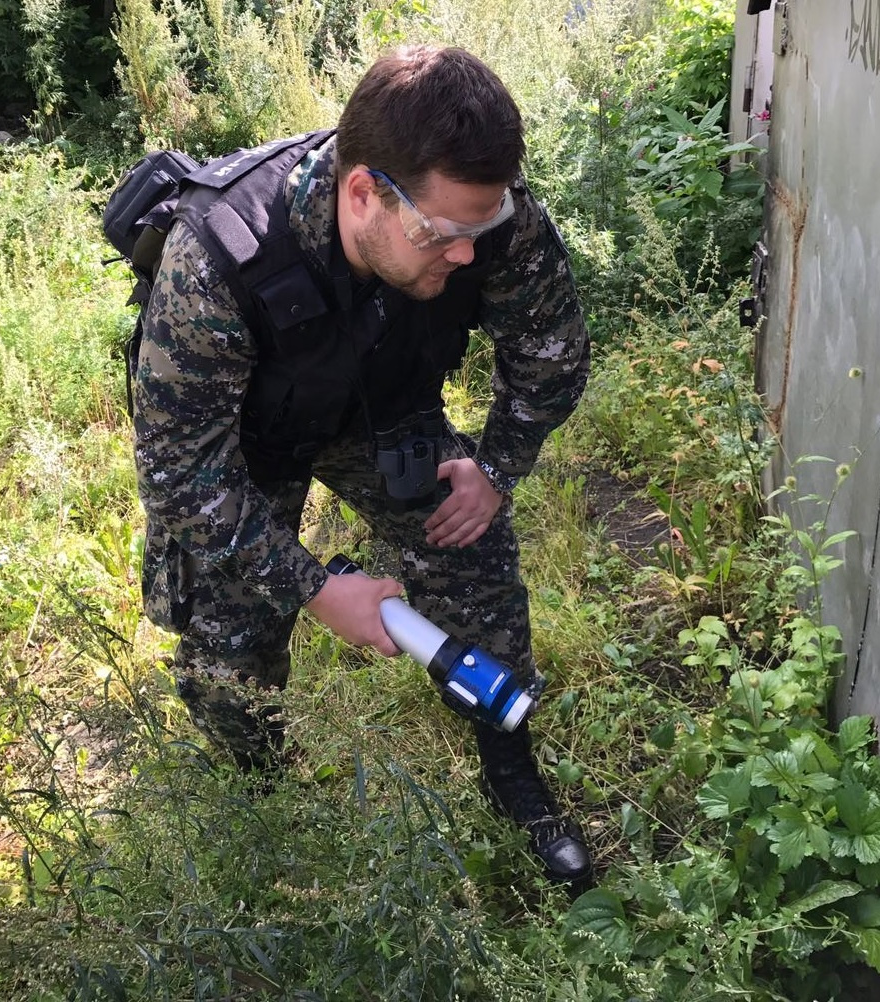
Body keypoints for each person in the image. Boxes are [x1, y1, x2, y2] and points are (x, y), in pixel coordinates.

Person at [132, 43, 592, 889]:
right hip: (242, 446)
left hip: (381, 411)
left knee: (472, 556)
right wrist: (314, 587)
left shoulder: (488, 215)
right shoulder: (221, 255)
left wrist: (496, 465)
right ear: (362, 193)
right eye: (443, 235)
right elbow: (177, 473)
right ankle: (264, 793)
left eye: (478, 231)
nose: (465, 254)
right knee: (225, 657)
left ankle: (512, 772)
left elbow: (552, 353)